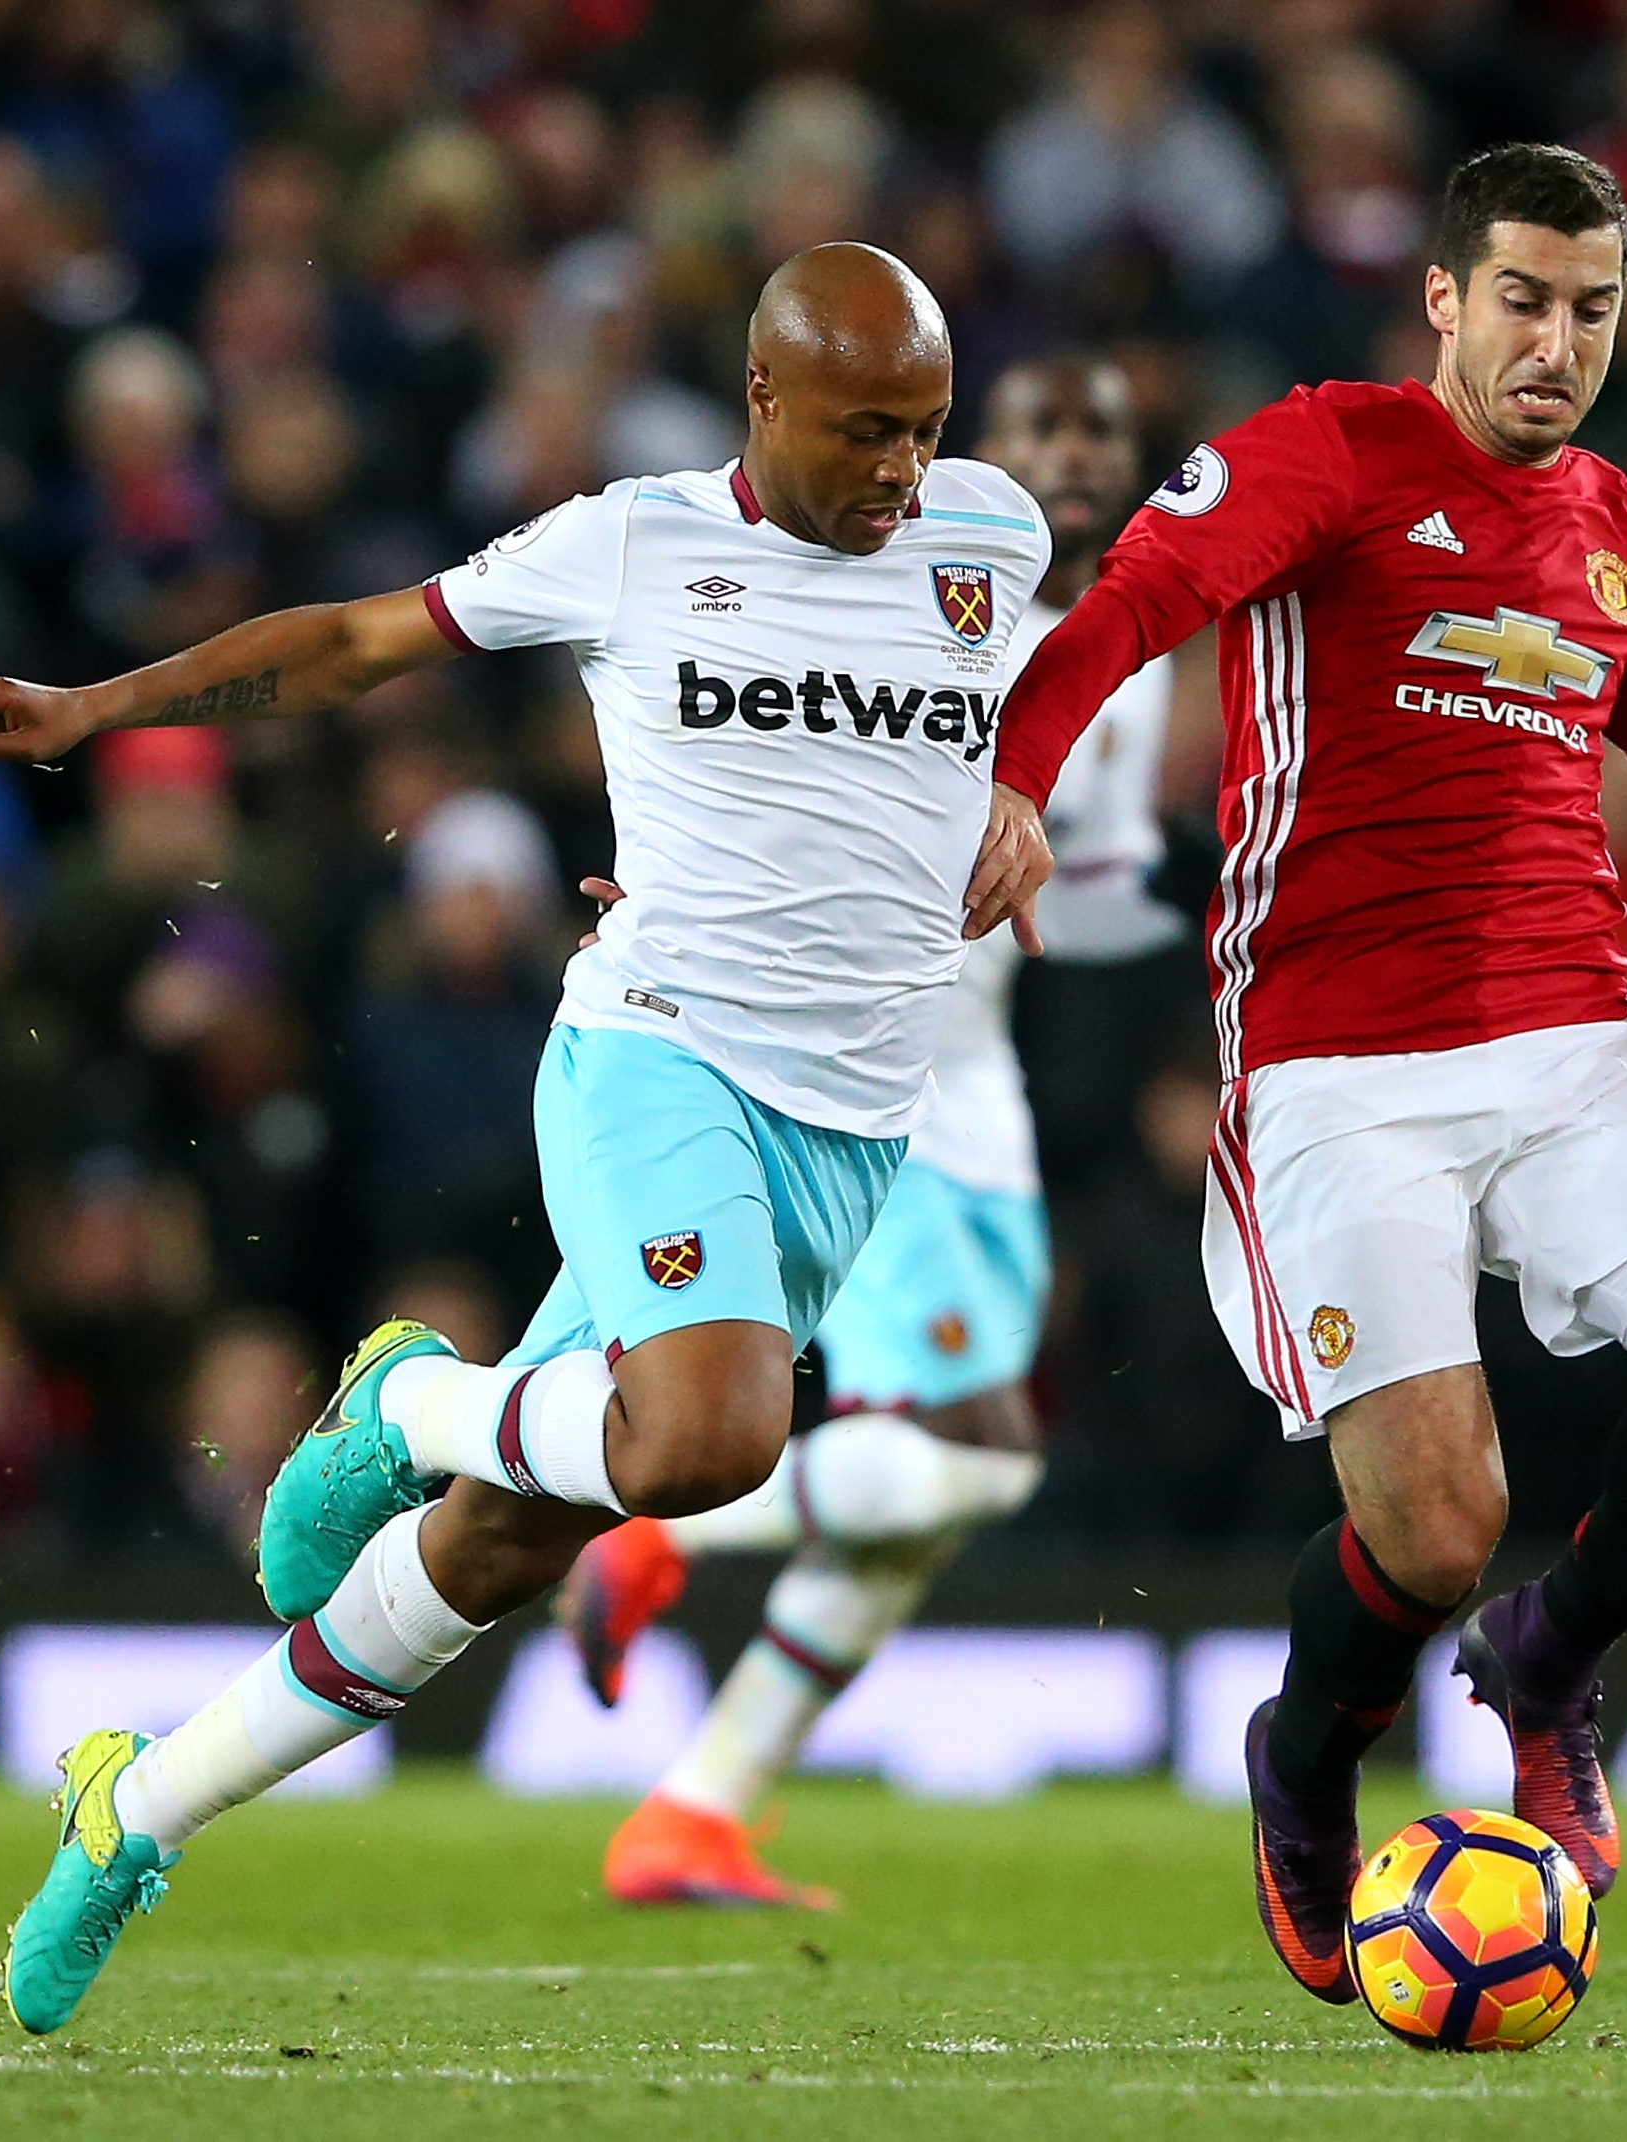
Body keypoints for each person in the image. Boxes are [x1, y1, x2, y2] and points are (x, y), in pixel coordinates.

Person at [0, 243, 1055, 2034]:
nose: (901, 471)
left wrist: (1026, 801)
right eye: (864, 431)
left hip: (855, 1128)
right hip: (658, 1061)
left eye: (925, 430)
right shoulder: (639, 540)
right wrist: (97, 707)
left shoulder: (990, 538)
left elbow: (1036, 695)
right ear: (763, 399)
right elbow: (356, 644)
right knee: (707, 1437)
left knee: (507, 1545)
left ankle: (135, 1802)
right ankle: (402, 1399)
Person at [964, 144, 1627, 2008]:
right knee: (1432, 1522)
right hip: (1333, 1054)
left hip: (1569, 1036)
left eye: (1596, 310)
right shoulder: (1329, 451)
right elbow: (1128, 606)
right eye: (1527, 303)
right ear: (1448, 301)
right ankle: (1304, 1762)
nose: (1559, 345)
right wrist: (1015, 777)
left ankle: (1553, 1656)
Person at [556, 354, 1171, 1907]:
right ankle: (655, 1525)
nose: (1074, 455)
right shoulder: (932, 606)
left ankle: (699, 1801)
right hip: (876, 1075)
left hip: (980, 1076)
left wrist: (1206, 908)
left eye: (1102, 430)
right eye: (1044, 427)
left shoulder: (1124, 656)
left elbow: (1065, 905)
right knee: (975, 1458)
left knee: (949, 1481)